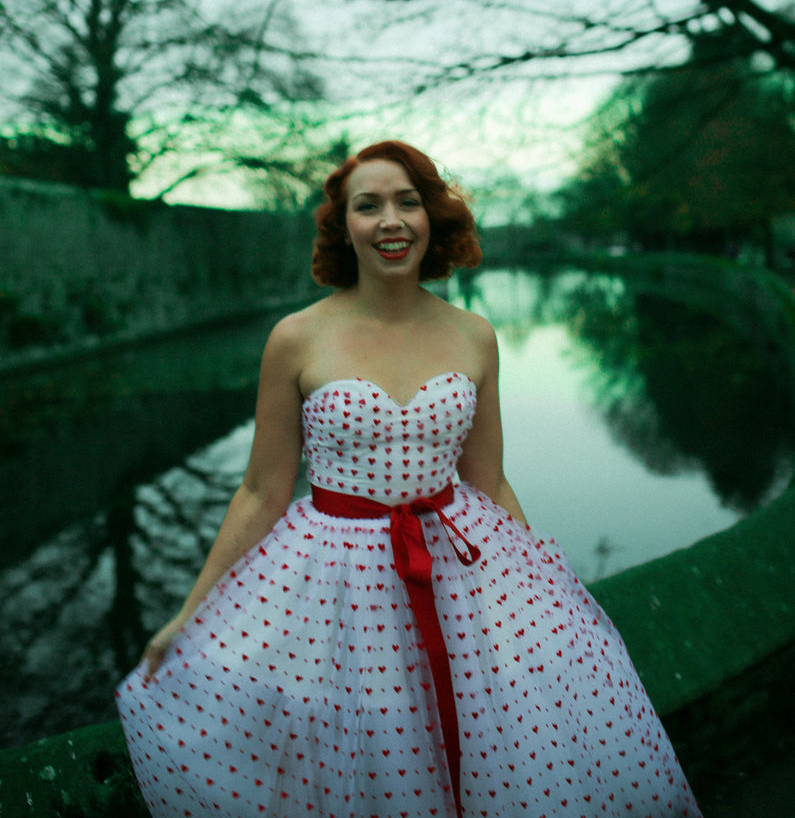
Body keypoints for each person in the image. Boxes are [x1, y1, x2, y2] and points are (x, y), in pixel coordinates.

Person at [116, 140, 701, 818]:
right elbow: (260, 491)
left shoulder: (474, 334)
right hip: (333, 583)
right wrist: (191, 613)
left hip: (459, 567)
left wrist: (543, 590)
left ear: (433, 218)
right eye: (369, 206)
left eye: (407, 202)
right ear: (345, 228)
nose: (390, 221)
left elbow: (489, 479)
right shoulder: (296, 338)